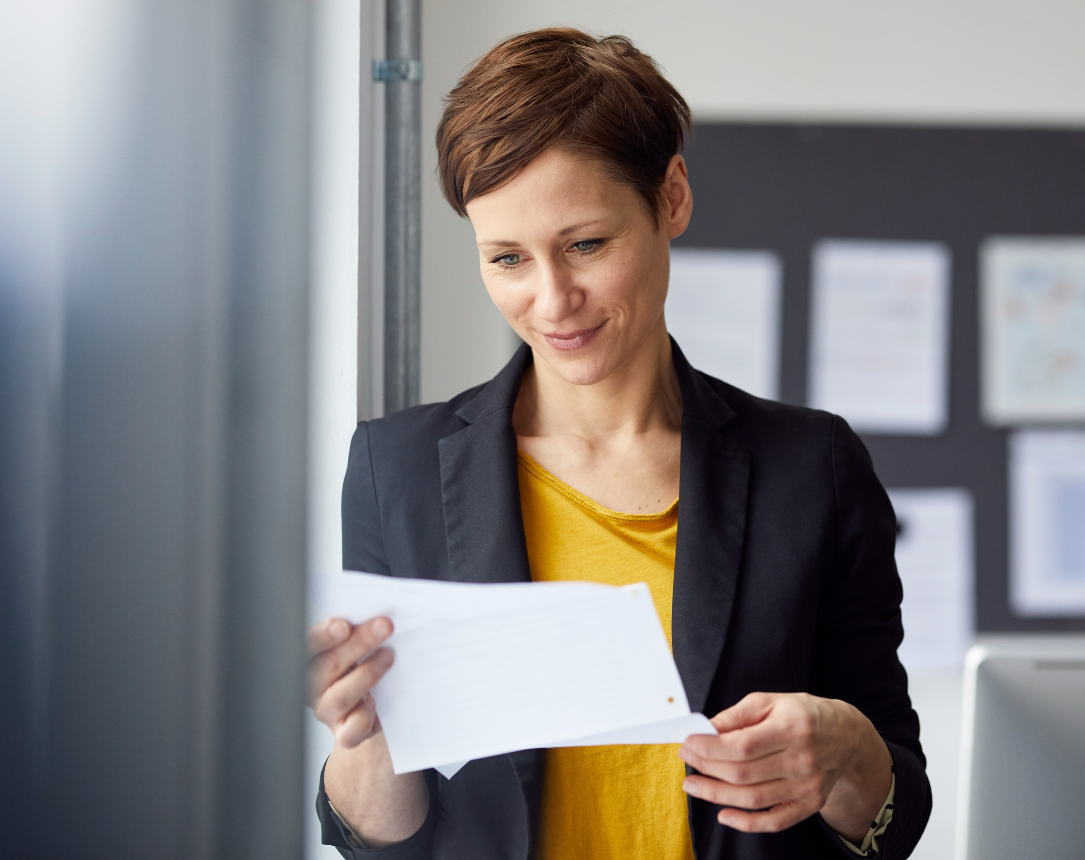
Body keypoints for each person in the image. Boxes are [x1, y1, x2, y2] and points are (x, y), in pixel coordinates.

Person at [307, 27, 930, 860]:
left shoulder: (811, 470)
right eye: (507, 259)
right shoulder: (399, 470)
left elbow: (895, 816)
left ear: (671, 196)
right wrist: (364, 733)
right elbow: (379, 843)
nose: (552, 300)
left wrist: (846, 749)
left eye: (586, 245)